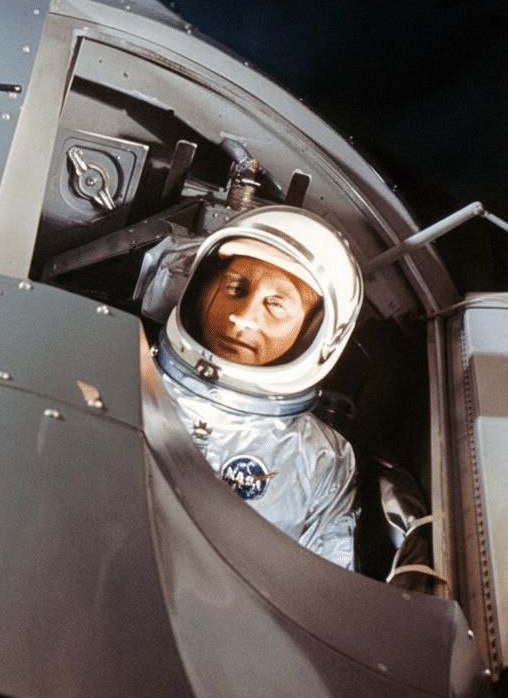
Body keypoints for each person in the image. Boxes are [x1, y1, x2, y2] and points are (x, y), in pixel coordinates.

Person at [145, 205, 364, 569]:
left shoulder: (322, 460)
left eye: (275, 305)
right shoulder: (117, 378)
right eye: (235, 287)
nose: (242, 316)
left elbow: (321, 591)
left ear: (315, 334)